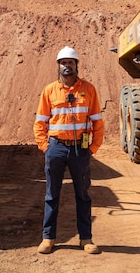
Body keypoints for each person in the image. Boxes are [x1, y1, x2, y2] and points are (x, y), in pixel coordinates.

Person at [33, 46, 105, 255]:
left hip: (79, 150)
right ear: (59, 66)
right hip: (55, 147)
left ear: (76, 65)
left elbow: (97, 122)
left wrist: (93, 147)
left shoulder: (89, 90)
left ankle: (86, 238)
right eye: (63, 63)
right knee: (51, 194)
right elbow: (40, 122)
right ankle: (48, 238)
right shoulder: (49, 91)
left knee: (82, 195)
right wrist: (45, 147)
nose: (67, 66)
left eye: (70, 63)